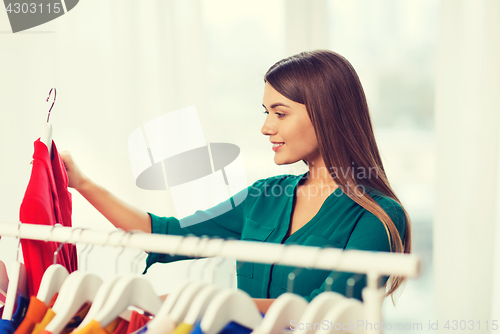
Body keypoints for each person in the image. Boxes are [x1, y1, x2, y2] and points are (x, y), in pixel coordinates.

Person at [60, 50, 411, 313]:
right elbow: (166, 234)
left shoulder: (378, 217)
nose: (266, 127)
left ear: (326, 113)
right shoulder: (264, 196)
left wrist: (204, 302)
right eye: (266, 113)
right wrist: (82, 183)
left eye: (280, 113)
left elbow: (322, 311)